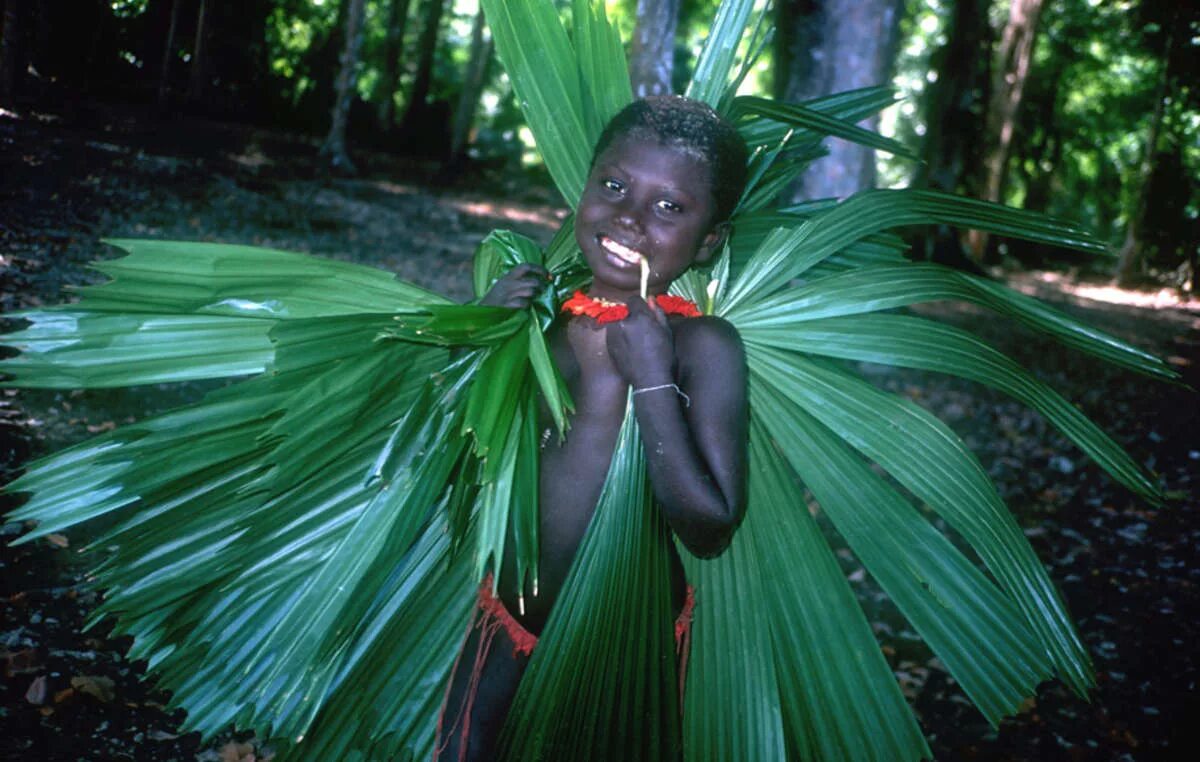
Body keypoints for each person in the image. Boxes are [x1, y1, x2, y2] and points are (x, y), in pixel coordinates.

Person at [435, 95, 751, 760]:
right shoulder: (547, 318)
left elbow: (711, 525)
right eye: (613, 186)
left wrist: (653, 379)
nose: (629, 217)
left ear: (709, 239)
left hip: (622, 648)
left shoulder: (703, 345)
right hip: (506, 618)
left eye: (670, 207)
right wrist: (482, 328)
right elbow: (456, 443)